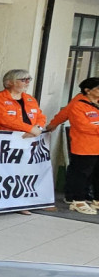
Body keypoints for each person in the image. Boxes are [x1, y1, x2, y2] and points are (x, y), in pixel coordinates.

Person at [50, 77, 99, 214]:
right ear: (87, 91)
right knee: (81, 173)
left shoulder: (95, 103)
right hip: (85, 146)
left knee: (95, 173)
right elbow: (82, 125)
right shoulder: (78, 104)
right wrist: (53, 124)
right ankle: (77, 200)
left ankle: (95, 199)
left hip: (96, 146)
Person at [0, 69, 47, 137]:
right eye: (23, 80)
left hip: (30, 138)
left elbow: (41, 117)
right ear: (9, 82)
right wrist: (30, 129)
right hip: (6, 139)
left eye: (29, 79)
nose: (27, 82)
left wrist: (37, 129)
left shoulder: (30, 99)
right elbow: (4, 119)